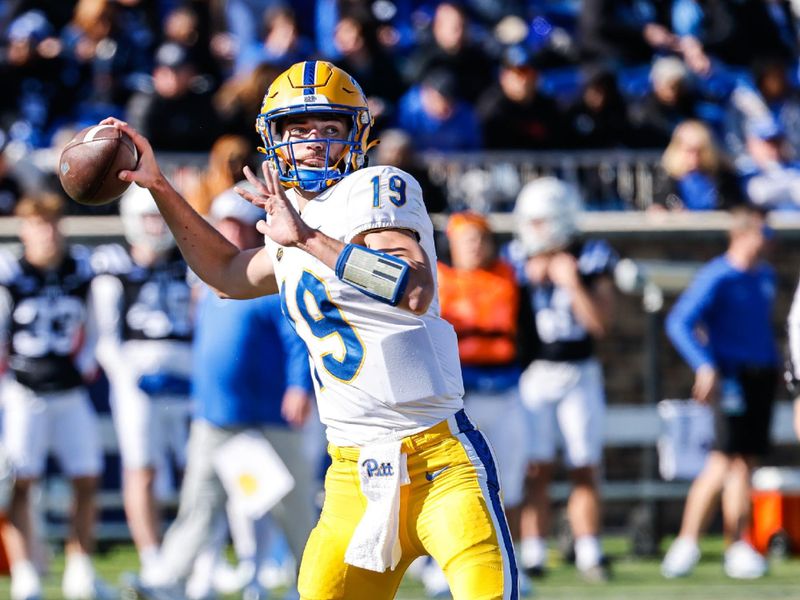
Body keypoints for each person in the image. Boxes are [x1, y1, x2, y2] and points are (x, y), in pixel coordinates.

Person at [100, 58, 518, 599]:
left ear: (355, 136)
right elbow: (227, 274)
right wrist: (159, 186)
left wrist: (308, 240)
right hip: (353, 474)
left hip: (440, 462)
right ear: (274, 140)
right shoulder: (290, 216)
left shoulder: (378, 188)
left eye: (329, 128)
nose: (314, 142)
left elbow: (413, 290)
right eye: (298, 131)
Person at [137, 186, 316, 600]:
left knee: (294, 506)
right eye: (224, 224)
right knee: (199, 503)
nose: (228, 231)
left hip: (271, 414)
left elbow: (297, 342)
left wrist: (298, 387)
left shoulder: (270, 277)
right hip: (216, 415)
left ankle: (310, 584)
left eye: (235, 224)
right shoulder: (205, 278)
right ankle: (170, 579)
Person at [661, 204, 779, 580]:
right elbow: (680, 321)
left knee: (744, 460)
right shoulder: (718, 276)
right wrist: (705, 363)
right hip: (732, 378)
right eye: (762, 233)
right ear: (743, 234)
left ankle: (732, 544)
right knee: (725, 460)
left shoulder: (765, 276)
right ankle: (694, 541)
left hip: (762, 376)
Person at [0, 193, 106, 600]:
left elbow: (95, 327)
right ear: (24, 231)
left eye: (50, 224)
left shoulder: (79, 268)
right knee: (19, 483)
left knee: (87, 478)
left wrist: (84, 363)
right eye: (36, 225)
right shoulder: (11, 272)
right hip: (24, 392)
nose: (45, 233)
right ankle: (26, 570)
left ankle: (79, 567)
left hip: (70, 390)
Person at [511, 177, 616, 583]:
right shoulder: (516, 259)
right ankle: (534, 550)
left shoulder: (592, 256)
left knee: (584, 464)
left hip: (579, 372)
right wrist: (525, 282)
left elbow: (601, 324)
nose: (534, 232)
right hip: (534, 373)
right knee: (534, 465)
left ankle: (589, 547)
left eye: (542, 222)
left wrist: (572, 283)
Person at [91, 184, 194, 586]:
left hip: (186, 378)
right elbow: (106, 339)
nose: (154, 226)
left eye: (158, 217)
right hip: (137, 380)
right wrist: (131, 380)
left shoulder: (188, 261)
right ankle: (152, 555)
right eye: (147, 217)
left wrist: (195, 375)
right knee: (142, 468)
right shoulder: (114, 265)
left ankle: (196, 553)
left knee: (198, 469)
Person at [432, 211, 530, 596]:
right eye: (466, 238)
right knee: (453, 484)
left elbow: (528, 331)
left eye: (480, 238)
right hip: (459, 398)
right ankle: (443, 567)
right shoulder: (435, 279)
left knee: (511, 481)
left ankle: (513, 559)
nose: (474, 246)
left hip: (504, 391)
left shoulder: (509, 277)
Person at [651, 120, 746, 211]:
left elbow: (736, 207)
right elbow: (658, 208)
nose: (694, 158)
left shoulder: (723, 176)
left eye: (700, 151)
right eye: (689, 151)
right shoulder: (666, 178)